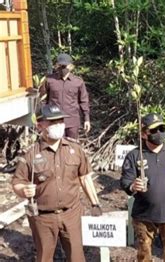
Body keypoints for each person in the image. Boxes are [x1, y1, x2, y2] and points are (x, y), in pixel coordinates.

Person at [11, 104, 102, 262]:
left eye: (61, 121)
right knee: (44, 257)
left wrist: (95, 204)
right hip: (42, 218)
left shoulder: (75, 149)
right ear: (40, 125)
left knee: (76, 257)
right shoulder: (31, 154)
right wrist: (23, 190)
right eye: (53, 122)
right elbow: (17, 182)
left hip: (71, 214)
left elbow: (85, 177)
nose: (58, 125)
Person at [120, 113, 165, 262]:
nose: (159, 133)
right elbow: (125, 181)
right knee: (144, 253)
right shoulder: (134, 155)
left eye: (162, 128)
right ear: (143, 133)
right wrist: (133, 186)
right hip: (143, 216)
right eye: (154, 130)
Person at [39, 53, 91, 140]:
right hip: (55, 121)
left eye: (65, 66)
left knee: (72, 146)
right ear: (56, 66)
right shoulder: (49, 81)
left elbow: (84, 101)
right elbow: (43, 101)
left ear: (71, 66)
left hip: (72, 121)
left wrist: (87, 119)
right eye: (60, 65)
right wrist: (43, 119)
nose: (63, 68)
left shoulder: (78, 82)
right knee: (56, 146)